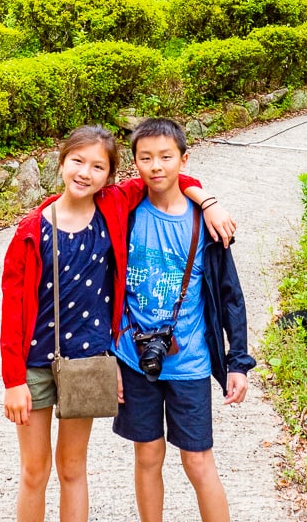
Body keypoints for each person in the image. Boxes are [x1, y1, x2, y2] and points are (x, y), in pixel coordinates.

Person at [0, 124, 235, 522]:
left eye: (97, 166)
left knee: (73, 468)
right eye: (77, 161)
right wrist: (13, 381)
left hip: (89, 362)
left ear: (110, 177)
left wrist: (206, 200)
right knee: (34, 471)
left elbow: (162, 175)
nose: (84, 173)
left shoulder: (112, 207)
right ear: (61, 163)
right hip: (36, 364)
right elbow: (13, 310)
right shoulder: (30, 231)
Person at [113, 117, 255, 522]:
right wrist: (109, 357)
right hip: (132, 357)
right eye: (145, 158)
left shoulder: (206, 225)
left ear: (184, 159)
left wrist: (237, 362)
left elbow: (231, 295)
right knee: (148, 455)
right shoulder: (125, 215)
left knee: (198, 462)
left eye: (165, 157)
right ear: (135, 163)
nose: (156, 166)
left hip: (189, 362)